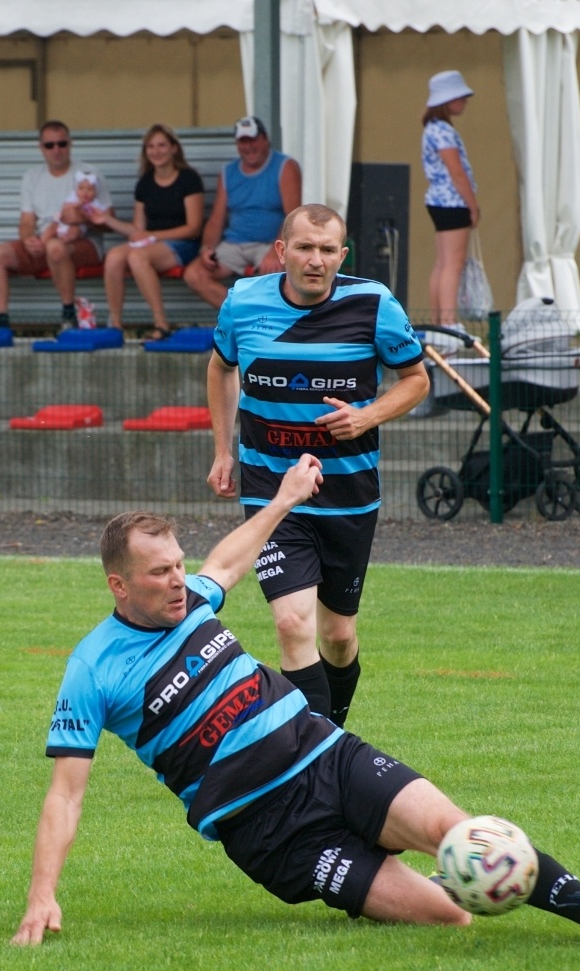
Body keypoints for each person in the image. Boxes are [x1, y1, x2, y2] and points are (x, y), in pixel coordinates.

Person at [13, 455, 580, 947]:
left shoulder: (195, 600)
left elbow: (230, 560)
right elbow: (64, 795)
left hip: (326, 756)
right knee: (453, 914)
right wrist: (43, 895)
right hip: (269, 829)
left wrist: (286, 497)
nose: (179, 581)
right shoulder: (92, 669)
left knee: (461, 836)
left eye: (179, 566)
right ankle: (402, 887)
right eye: (160, 573)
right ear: (119, 584)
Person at [206, 204, 430, 728]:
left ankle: (331, 734)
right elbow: (221, 367)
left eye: (328, 250)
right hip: (272, 488)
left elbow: (416, 379)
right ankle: (315, 760)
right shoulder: (244, 301)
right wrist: (222, 450)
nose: (316, 260)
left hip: (347, 493)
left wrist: (368, 415)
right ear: (283, 252)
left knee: (337, 635)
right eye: (305, 248)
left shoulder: (374, 305)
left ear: (342, 255)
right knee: (290, 624)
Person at [0, 122, 108, 333]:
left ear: (71, 144)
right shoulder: (31, 177)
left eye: (61, 144)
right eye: (50, 145)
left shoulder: (88, 173)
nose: (56, 150)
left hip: (82, 242)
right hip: (45, 239)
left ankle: (69, 315)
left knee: (55, 248)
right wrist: (28, 240)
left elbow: (109, 221)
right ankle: (1, 321)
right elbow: (26, 221)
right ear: (40, 148)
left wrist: (81, 220)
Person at [87, 124, 205, 340]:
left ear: (173, 149)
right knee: (113, 257)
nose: (156, 151)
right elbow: (137, 229)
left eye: (161, 145)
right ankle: (115, 325)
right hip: (152, 244)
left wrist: (153, 236)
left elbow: (193, 227)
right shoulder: (145, 183)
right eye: (150, 146)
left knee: (137, 256)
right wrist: (106, 219)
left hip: (183, 243)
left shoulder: (189, 178)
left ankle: (161, 324)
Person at [183, 117, 301, 310]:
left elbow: (293, 216)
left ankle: (271, 328)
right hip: (235, 244)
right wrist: (206, 249)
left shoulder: (285, 166)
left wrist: (275, 251)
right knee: (194, 274)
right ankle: (244, 314)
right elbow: (216, 219)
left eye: (253, 140)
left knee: (274, 276)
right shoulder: (228, 172)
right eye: (243, 141)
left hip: (269, 243)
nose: (249, 146)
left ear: (265, 140)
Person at [420, 71, 480, 344]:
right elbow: (457, 172)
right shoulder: (443, 130)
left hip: (437, 200)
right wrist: (472, 204)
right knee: (453, 264)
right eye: (461, 97)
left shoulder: (432, 127)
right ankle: (448, 322)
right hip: (452, 201)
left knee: (443, 263)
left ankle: (438, 321)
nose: (465, 102)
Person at [45, 171, 108, 243]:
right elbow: (65, 206)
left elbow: (99, 217)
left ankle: (63, 241)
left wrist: (88, 214)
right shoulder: (73, 197)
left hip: (78, 225)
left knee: (75, 231)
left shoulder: (95, 204)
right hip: (62, 222)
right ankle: (42, 242)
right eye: (81, 188)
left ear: (95, 192)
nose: (85, 192)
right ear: (76, 189)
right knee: (51, 229)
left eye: (89, 189)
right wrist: (77, 204)